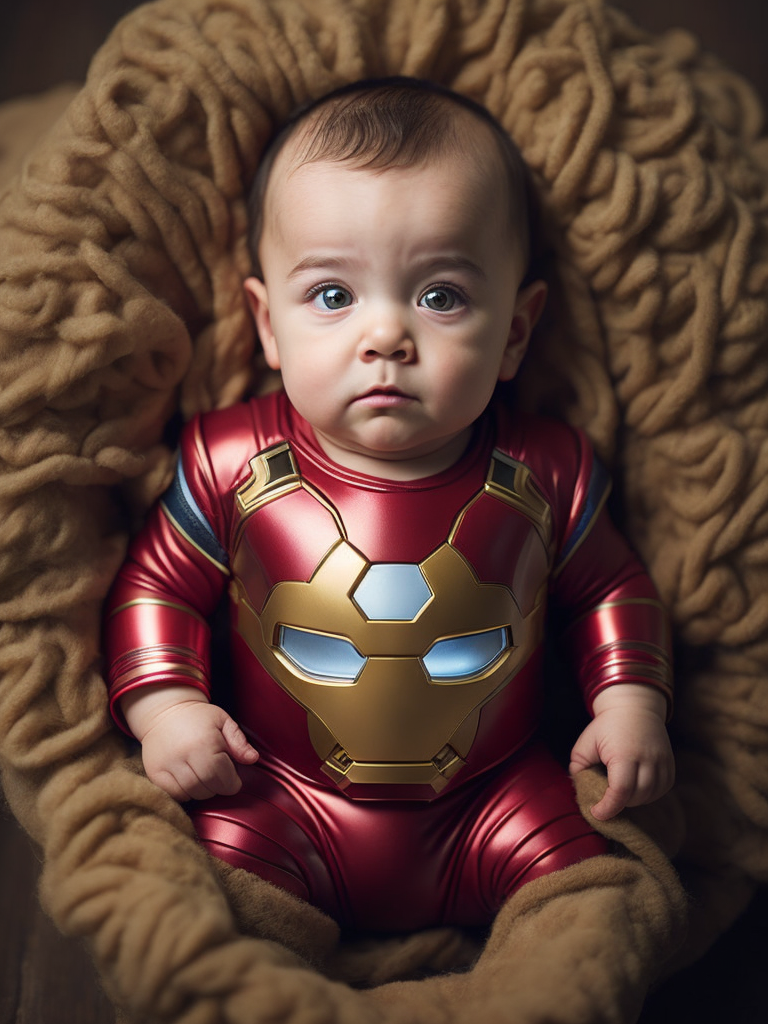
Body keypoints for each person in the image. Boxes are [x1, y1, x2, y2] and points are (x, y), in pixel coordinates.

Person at [105, 78, 674, 933]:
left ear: (515, 332)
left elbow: (612, 592)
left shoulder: (548, 470)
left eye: (440, 295)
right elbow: (156, 589)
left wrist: (631, 701)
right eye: (332, 296)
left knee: (599, 901)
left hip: (499, 800)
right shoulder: (229, 462)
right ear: (267, 325)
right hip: (276, 798)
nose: (385, 337)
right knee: (203, 909)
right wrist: (169, 709)